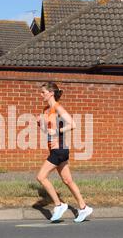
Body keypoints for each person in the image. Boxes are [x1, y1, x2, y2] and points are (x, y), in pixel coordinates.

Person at [36, 82, 93, 223]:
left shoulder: (58, 108)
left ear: (51, 93)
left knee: (41, 177)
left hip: (60, 149)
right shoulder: (45, 110)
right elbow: (46, 132)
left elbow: (72, 124)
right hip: (56, 148)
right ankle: (83, 207)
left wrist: (57, 131)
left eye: (43, 92)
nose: (40, 95)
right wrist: (40, 124)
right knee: (67, 180)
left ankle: (59, 205)